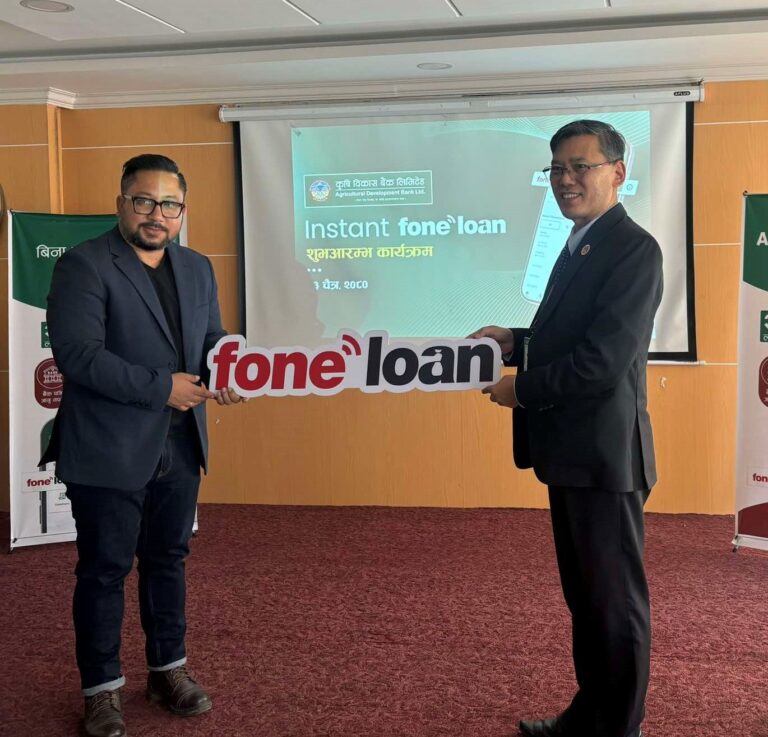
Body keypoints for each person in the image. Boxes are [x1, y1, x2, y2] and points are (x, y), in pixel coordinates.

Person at [40, 154, 245, 737]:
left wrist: (233, 369)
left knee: (168, 559)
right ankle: (101, 689)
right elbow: (78, 356)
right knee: (104, 569)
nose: (157, 214)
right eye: (144, 201)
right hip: (107, 446)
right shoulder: (83, 265)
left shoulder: (197, 268)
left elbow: (211, 340)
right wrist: (162, 388)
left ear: (182, 211)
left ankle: (167, 669)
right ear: (121, 203)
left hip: (181, 442)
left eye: (170, 204)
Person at [470, 120, 662, 737]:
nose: (566, 179)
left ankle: (617, 728)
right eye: (556, 169)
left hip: (605, 458)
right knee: (588, 600)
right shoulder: (580, 240)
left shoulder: (632, 249)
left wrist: (521, 389)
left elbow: (603, 362)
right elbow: (570, 334)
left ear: (618, 173)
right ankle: (590, 716)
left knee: (614, 604)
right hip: (572, 453)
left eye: (581, 166)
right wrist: (515, 338)